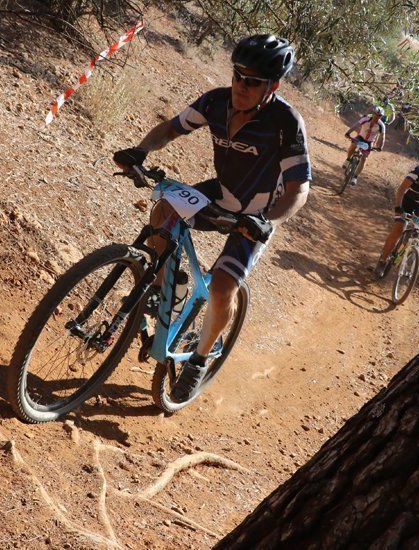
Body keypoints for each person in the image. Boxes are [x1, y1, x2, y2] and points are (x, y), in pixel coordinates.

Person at [113, 34, 311, 401]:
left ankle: (201, 358)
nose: (241, 86)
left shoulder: (286, 123)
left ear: (274, 86)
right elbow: (172, 128)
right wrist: (140, 150)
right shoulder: (217, 101)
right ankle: (165, 291)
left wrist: (269, 221)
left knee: (222, 289)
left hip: (254, 213)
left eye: (253, 81)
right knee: (165, 207)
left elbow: (300, 189)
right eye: (238, 75)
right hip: (220, 193)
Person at [343, 106, 386, 186]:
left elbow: (382, 137)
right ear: (373, 114)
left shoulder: (382, 125)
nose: (377, 116)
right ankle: (348, 159)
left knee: (364, 158)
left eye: (379, 116)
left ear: (381, 116)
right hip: (361, 137)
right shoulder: (366, 119)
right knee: (353, 145)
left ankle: (355, 177)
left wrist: (381, 146)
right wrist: (348, 133)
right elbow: (355, 125)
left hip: (370, 142)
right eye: (376, 114)